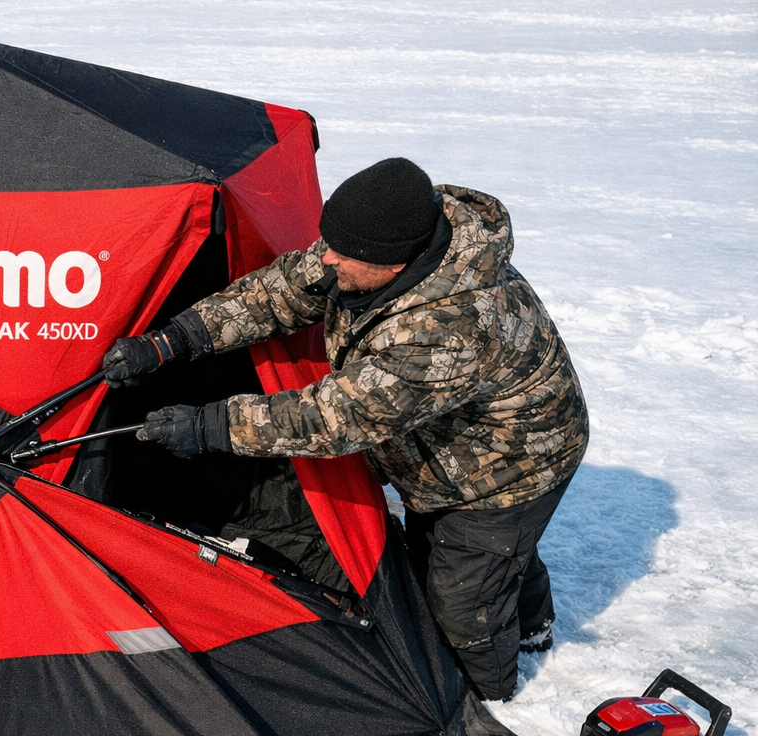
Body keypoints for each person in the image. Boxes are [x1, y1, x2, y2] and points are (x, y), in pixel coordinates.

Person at [102, 157, 587, 701]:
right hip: (448, 443)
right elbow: (285, 289)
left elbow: (334, 418)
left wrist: (208, 426)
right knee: (492, 558)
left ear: (394, 264)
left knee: (462, 597)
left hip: (508, 469)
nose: (327, 258)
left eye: (342, 254)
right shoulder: (383, 239)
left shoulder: (450, 329)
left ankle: (487, 696)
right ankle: (529, 617)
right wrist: (177, 339)